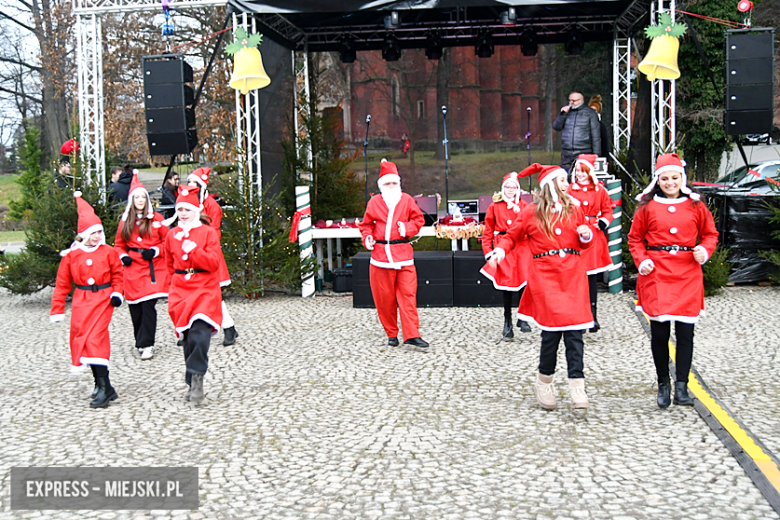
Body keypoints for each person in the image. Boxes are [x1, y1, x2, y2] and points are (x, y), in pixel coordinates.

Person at [487, 163, 594, 410]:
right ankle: (544, 381)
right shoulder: (530, 212)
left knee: (575, 334)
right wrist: (500, 252)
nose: (568, 185)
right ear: (551, 185)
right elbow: (511, 236)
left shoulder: (574, 209)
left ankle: (577, 386)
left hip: (573, 275)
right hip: (546, 276)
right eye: (564, 181)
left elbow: (584, 241)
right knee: (552, 335)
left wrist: (586, 236)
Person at [628, 153, 718, 409]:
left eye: (674, 177)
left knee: (686, 334)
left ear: (682, 178)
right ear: (658, 180)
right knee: (659, 334)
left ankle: (682, 386)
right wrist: (642, 260)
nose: (670, 182)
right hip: (657, 273)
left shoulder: (695, 205)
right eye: (665, 178)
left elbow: (710, 233)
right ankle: (663, 384)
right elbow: (635, 238)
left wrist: (705, 250)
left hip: (688, 272)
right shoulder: (647, 207)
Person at [50, 192, 124, 408]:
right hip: (82, 300)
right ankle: (102, 385)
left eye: (99, 232)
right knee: (82, 339)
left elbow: (118, 275)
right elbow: (62, 283)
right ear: (83, 234)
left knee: (95, 339)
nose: (97, 236)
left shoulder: (109, 252)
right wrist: (57, 309)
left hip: (103, 299)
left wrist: (117, 292)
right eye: (93, 233)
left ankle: (104, 387)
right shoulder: (72, 256)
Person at [358, 159, 429, 348]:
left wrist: (406, 228)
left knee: (408, 296)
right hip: (380, 257)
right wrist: (368, 238)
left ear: (399, 183)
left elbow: (419, 220)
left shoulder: (406, 200)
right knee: (385, 299)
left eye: (394, 183)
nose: (391, 187)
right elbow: (366, 225)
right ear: (381, 185)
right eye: (387, 183)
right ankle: (391, 333)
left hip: (403, 255)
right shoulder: (374, 202)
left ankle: (412, 334)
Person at [164, 185, 224, 403]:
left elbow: (213, 263)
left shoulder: (207, 233)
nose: (183, 214)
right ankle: (191, 380)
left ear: (196, 210)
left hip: (204, 287)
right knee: (188, 338)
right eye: (180, 210)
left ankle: (198, 378)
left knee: (200, 333)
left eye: (187, 210)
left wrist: (194, 251)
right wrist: (170, 288)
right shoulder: (171, 235)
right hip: (180, 289)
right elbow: (169, 265)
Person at [114, 172, 170, 361]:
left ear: (146, 199)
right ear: (132, 200)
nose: (139, 200)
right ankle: (140, 340)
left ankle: (147, 343)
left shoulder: (158, 219)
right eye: (136, 197)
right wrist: (123, 257)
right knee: (135, 308)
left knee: (148, 307)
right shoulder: (125, 221)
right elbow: (118, 245)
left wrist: (155, 251)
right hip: (132, 270)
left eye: (142, 197)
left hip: (151, 269)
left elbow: (168, 243)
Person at [185, 167, 239, 346]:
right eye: (189, 182)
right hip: (190, 255)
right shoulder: (188, 205)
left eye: (194, 182)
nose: (191, 185)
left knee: (213, 295)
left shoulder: (212, 206)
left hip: (207, 256)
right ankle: (188, 331)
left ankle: (229, 327)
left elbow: (214, 233)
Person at [479, 171, 532, 339]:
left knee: (525, 282)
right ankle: (507, 320)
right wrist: (488, 252)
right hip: (503, 247)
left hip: (522, 247)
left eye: (514, 187)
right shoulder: (495, 206)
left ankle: (522, 317)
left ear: (518, 189)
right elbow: (487, 232)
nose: (511, 190)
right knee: (507, 285)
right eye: (508, 187)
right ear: (503, 188)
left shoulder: (524, 206)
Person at [567, 154, 615, 332]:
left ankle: (593, 315)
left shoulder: (600, 190)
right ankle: (579, 315)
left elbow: (608, 210)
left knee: (591, 278)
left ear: (590, 172)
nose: (580, 174)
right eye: (577, 171)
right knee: (577, 278)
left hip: (593, 235)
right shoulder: (570, 190)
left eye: (583, 171)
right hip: (575, 235)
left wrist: (603, 221)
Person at [552, 91, 602, 177]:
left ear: (581, 100)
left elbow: (596, 136)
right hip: (567, 152)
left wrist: (596, 156)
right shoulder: (567, 112)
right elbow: (556, 127)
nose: (571, 103)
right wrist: (562, 114)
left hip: (584, 151)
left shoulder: (590, 113)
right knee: (566, 177)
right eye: (570, 100)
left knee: (582, 177)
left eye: (573, 101)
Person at [588, 95, 612, 160]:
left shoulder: (601, 126)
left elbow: (604, 143)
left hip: (598, 157)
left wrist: (606, 158)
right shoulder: (583, 124)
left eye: (595, 110)